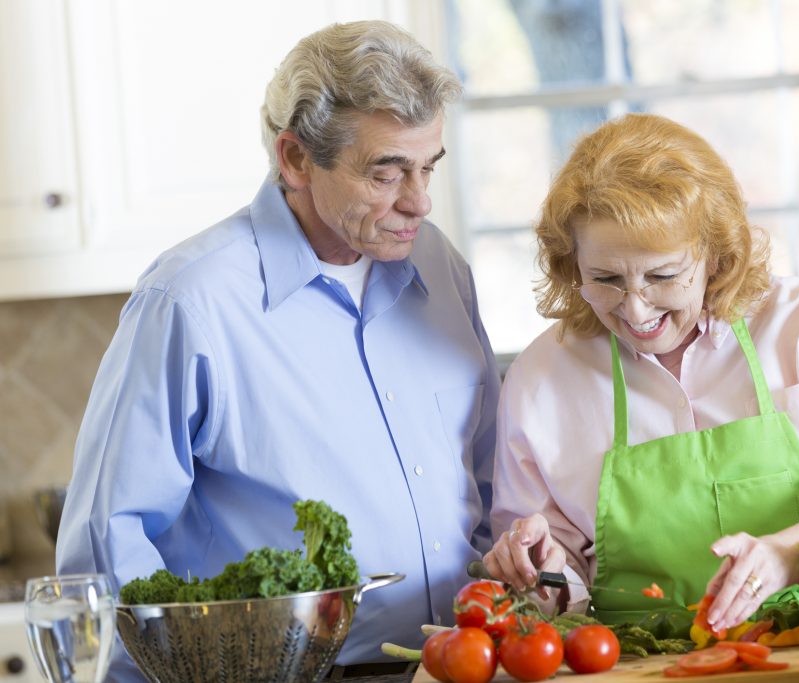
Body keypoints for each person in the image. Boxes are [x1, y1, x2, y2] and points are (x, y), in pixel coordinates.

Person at [56, 20, 499, 682]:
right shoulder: (190, 300)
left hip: (464, 664)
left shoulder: (440, 266)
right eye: (386, 173)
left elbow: (487, 474)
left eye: (427, 167)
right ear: (295, 158)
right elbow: (106, 541)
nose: (419, 200)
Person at [482, 113, 799, 631]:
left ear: (714, 255)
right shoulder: (541, 379)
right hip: (642, 666)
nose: (636, 309)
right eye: (605, 279)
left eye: (663, 275)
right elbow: (558, 580)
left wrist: (790, 553)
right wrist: (543, 574)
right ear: (570, 264)